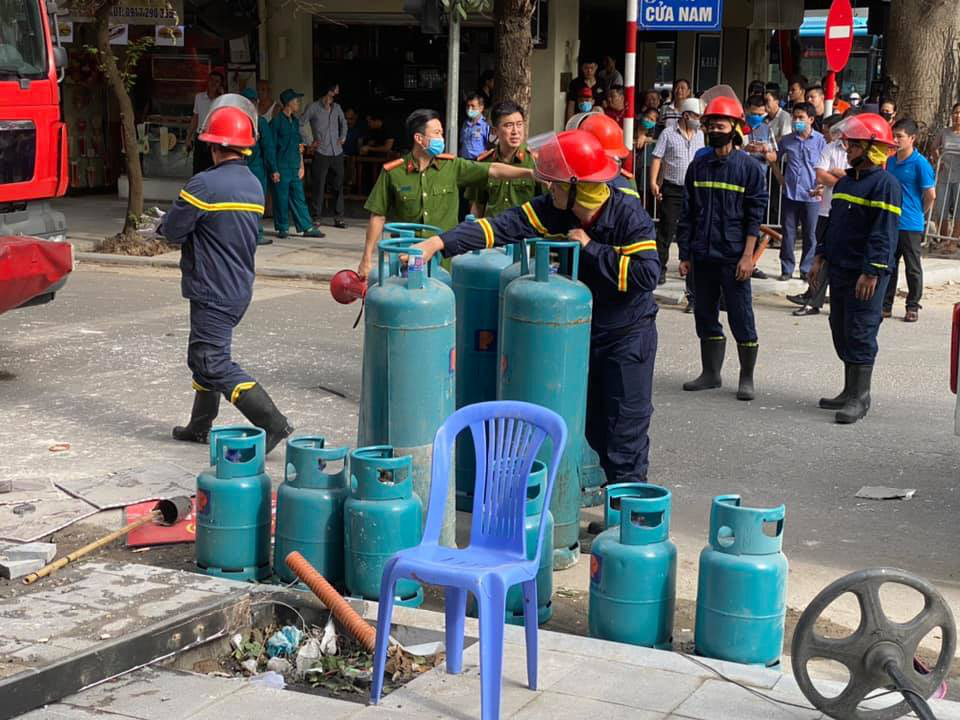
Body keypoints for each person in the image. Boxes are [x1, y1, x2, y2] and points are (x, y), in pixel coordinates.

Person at [409, 129, 660, 490]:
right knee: (596, 425)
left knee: (626, 428)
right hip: (587, 332)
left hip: (628, 335)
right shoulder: (554, 211)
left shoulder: (627, 214)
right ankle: (618, 498)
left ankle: (631, 524)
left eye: (555, 185)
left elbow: (646, 274)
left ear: (575, 187)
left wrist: (589, 249)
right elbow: (499, 228)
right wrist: (438, 243)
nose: (548, 190)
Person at [161, 98, 294, 453]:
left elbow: (173, 232)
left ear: (216, 146)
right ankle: (199, 425)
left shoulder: (203, 186)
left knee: (212, 360)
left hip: (211, 288)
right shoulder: (252, 185)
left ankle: (273, 423)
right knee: (202, 355)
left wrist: (163, 224)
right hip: (236, 286)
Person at [357, 108, 536, 278]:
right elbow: (377, 216)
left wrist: (530, 173)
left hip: (444, 258)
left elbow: (494, 170)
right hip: (406, 256)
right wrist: (366, 258)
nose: (441, 138)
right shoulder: (393, 173)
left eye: (441, 132)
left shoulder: (452, 167)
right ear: (419, 138)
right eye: (436, 133)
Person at [808, 113, 900, 424]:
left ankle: (860, 398)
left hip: (865, 274)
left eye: (853, 144)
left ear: (870, 147)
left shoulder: (885, 185)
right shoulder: (847, 181)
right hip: (840, 268)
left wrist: (872, 270)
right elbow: (833, 223)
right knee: (841, 327)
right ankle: (849, 390)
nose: (846, 148)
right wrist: (819, 256)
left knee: (860, 331)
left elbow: (884, 232)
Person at [677, 89, 767, 401]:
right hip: (703, 254)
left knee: (741, 315)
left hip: (734, 257)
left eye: (721, 125)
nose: (714, 130)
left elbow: (754, 217)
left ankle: (746, 377)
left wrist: (748, 257)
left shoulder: (750, 169)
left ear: (736, 128)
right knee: (704, 312)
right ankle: (711, 373)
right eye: (710, 125)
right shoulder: (698, 167)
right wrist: (685, 254)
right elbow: (687, 213)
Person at [788, 113, 850, 316]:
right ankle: (813, 300)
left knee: (843, 256)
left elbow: (861, 178)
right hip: (827, 209)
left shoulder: (861, 151)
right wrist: (844, 178)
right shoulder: (830, 147)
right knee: (821, 255)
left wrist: (841, 176)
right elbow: (821, 174)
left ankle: (840, 301)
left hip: (849, 212)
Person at [883, 118, 936, 322]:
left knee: (912, 267)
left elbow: (930, 194)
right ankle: (886, 305)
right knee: (889, 265)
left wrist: (920, 214)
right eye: (894, 136)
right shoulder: (890, 161)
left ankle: (912, 306)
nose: (895, 140)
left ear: (912, 138)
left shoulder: (920, 164)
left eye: (900, 136)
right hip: (891, 221)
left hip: (911, 223)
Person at [650, 98, 704, 291]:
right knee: (666, 229)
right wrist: (653, 182)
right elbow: (657, 157)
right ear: (686, 115)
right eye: (697, 116)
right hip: (673, 188)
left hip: (694, 189)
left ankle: (688, 266)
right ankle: (659, 268)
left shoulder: (701, 135)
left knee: (691, 229)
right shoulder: (668, 133)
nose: (699, 121)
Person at [773, 101, 826, 281]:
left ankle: (806, 269)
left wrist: (821, 187)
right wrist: (780, 177)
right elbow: (774, 158)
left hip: (812, 196)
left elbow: (825, 166)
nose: (797, 121)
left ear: (810, 119)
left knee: (810, 235)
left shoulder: (820, 141)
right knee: (788, 233)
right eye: (795, 117)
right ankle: (786, 269)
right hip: (790, 194)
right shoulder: (787, 140)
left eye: (801, 118)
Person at [466, 100, 538, 218]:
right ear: (495, 131)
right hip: (492, 232)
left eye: (519, 124)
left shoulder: (535, 161)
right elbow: (477, 206)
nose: (515, 132)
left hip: (525, 233)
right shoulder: (484, 163)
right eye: (508, 125)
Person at [270, 88, 326, 239]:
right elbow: (271, 147)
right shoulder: (276, 122)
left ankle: (306, 227)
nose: (298, 103)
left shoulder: (295, 122)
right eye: (296, 101)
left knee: (299, 197)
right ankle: (282, 227)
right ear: (288, 103)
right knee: (281, 198)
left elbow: (299, 146)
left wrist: (301, 165)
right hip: (281, 166)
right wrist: (274, 169)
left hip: (294, 165)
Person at [301, 81, 348, 229]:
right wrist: (309, 141)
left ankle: (339, 217)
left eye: (333, 96)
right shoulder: (313, 108)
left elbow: (344, 123)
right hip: (321, 152)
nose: (331, 99)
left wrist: (343, 137)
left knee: (338, 185)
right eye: (330, 95)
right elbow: (301, 123)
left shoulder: (337, 108)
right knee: (318, 185)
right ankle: (316, 217)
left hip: (337, 152)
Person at [240, 87, 278, 245]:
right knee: (256, 202)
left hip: (238, 168)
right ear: (255, 102)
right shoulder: (260, 122)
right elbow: (268, 148)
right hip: (256, 169)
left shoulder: (237, 121)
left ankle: (243, 234)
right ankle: (256, 234)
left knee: (241, 202)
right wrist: (274, 169)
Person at [929, 102, 960, 238]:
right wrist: (937, 160)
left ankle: (954, 240)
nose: (957, 116)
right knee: (941, 208)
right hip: (944, 175)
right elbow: (934, 147)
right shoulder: (944, 132)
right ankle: (943, 238)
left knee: (959, 209)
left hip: (959, 176)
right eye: (955, 113)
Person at [185, 71, 224, 174]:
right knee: (198, 168)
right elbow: (195, 118)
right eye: (212, 80)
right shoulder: (199, 97)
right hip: (201, 136)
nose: (214, 83)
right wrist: (188, 137)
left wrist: (222, 96)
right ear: (208, 81)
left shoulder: (221, 100)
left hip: (215, 139)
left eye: (217, 81)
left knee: (214, 169)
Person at [566, 57, 601, 121]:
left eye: (592, 68)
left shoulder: (601, 82)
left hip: (597, 120)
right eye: (586, 68)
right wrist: (570, 124)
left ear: (596, 67)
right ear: (582, 68)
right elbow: (571, 105)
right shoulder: (575, 83)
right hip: (579, 119)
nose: (589, 71)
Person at [459, 92, 491, 160]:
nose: (469, 109)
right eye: (468, 106)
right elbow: (462, 143)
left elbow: (490, 147)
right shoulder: (465, 124)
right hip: (464, 161)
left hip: (478, 162)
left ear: (481, 108)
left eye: (473, 106)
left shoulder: (486, 125)